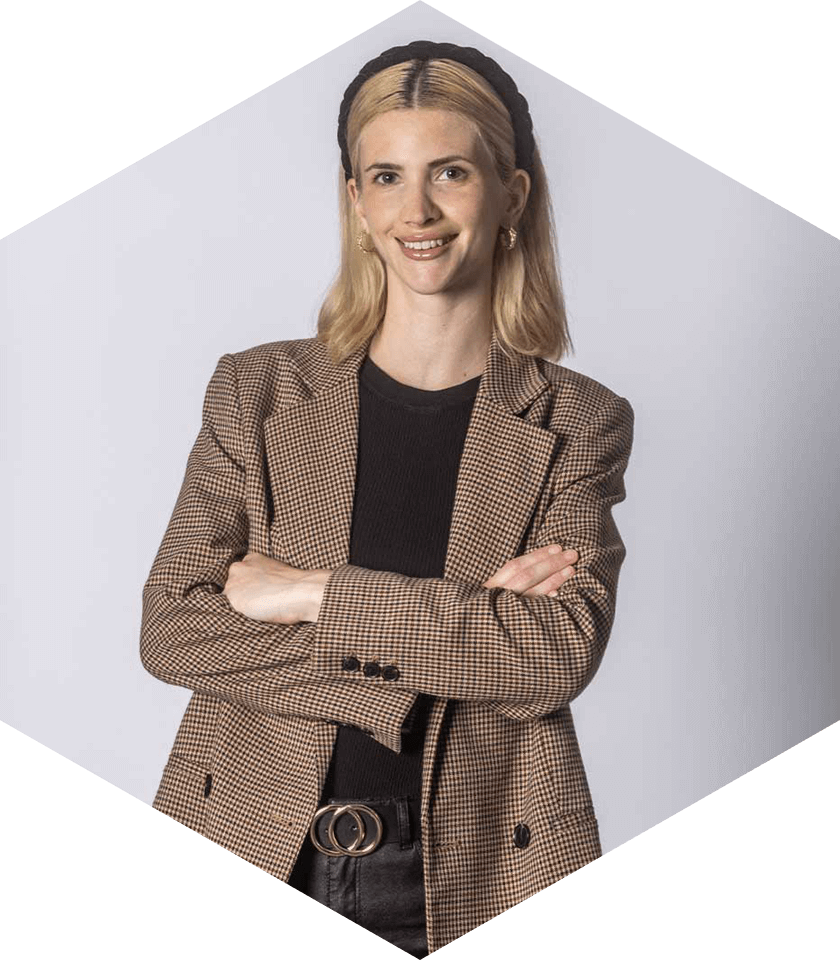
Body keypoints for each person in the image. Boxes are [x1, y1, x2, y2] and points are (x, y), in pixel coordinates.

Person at [141, 40, 634, 957]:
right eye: (387, 177)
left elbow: (553, 656)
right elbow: (173, 630)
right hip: (251, 831)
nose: (418, 211)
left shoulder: (579, 421)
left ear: (511, 195)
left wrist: (313, 593)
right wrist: (433, 661)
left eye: (451, 172)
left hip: (473, 866)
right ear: (356, 203)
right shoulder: (258, 391)